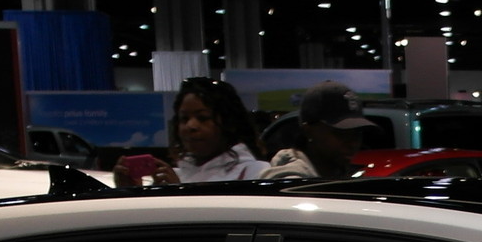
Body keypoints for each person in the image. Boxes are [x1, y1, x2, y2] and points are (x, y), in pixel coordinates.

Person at [116, 78, 267, 187]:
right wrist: (131, 191)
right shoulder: (174, 176)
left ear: (229, 123)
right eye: (184, 118)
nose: (191, 126)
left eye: (203, 118)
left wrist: (180, 194)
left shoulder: (256, 173)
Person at [264, 82, 380, 180]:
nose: (353, 143)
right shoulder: (292, 184)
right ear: (308, 131)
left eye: (357, 134)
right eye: (341, 133)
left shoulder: (341, 174)